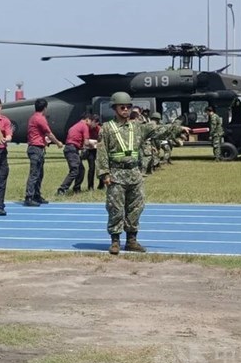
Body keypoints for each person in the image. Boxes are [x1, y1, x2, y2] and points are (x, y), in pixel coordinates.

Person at [96, 92, 188, 255]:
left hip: (134, 174)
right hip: (116, 174)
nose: (125, 109)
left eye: (128, 107)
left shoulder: (137, 127)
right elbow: (102, 152)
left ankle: (131, 240)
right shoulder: (107, 128)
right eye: (122, 107)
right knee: (115, 208)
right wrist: (104, 174)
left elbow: (159, 130)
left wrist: (177, 128)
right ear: (115, 108)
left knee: (136, 208)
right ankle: (115, 241)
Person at [24, 98, 63, 207]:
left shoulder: (33, 118)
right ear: (45, 108)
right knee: (34, 174)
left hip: (37, 147)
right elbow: (49, 133)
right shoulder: (40, 119)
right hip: (36, 148)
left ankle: (36, 195)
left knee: (39, 174)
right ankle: (29, 196)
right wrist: (58, 143)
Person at [57, 113, 94, 195]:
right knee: (74, 170)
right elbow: (86, 142)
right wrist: (94, 145)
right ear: (87, 119)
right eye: (91, 121)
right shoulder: (84, 126)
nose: (91, 124)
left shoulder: (74, 126)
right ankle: (62, 189)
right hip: (72, 149)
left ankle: (76, 188)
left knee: (81, 170)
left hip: (69, 148)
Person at [84, 114, 101, 190]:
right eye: (93, 122)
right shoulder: (86, 128)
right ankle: (90, 186)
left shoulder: (98, 129)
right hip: (89, 150)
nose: (94, 124)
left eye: (96, 123)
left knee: (100, 167)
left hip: (97, 149)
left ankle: (101, 184)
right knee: (92, 168)